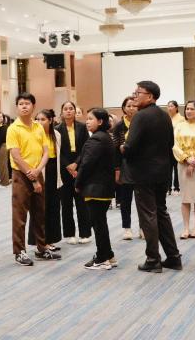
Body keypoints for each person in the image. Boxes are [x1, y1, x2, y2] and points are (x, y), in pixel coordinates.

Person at [122, 81, 181, 273]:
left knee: (148, 215)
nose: (134, 95)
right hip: (162, 172)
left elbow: (130, 147)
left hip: (143, 174)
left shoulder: (140, 116)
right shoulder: (165, 116)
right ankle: (173, 257)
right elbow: (170, 143)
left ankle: (153, 259)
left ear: (150, 96)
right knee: (161, 212)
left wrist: (122, 148)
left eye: (138, 92)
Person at [6, 92, 60, 266]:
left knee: (39, 213)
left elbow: (46, 152)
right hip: (21, 175)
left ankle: (41, 248)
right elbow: (16, 155)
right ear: (17, 107)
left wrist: (38, 171)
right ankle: (19, 252)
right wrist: (31, 174)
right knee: (20, 216)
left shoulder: (38, 127)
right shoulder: (13, 128)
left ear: (33, 106)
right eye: (21, 103)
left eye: (27, 103)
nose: (24, 106)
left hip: (37, 173)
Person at [76, 108, 116, 271]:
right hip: (102, 188)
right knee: (100, 223)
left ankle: (102, 258)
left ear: (100, 121)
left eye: (90, 119)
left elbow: (86, 164)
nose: (87, 121)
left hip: (96, 188)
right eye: (86, 118)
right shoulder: (104, 137)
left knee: (98, 225)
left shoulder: (97, 139)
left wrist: (78, 183)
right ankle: (109, 255)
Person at [56, 101, 91, 245]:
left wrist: (76, 164)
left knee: (82, 202)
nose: (69, 111)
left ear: (75, 111)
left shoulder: (82, 127)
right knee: (66, 203)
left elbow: (86, 147)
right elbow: (57, 150)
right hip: (64, 169)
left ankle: (85, 233)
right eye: (66, 109)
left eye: (71, 108)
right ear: (62, 112)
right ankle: (70, 234)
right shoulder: (57, 129)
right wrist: (68, 166)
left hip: (79, 167)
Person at [28, 109, 63, 252]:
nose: (39, 122)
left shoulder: (57, 135)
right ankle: (40, 241)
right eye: (37, 119)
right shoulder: (34, 134)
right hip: (40, 171)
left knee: (53, 208)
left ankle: (50, 239)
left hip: (54, 173)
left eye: (43, 119)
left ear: (50, 120)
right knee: (40, 208)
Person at [173, 100, 195, 240]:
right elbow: (175, 145)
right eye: (187, 109)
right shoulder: (179, 126)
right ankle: (186, 228)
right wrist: (186, 159)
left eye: (192, 109)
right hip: (183, 164)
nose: (188, 111)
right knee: (185, 198)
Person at [113, 96, 139, 240]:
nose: (131, 108)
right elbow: (115, 150)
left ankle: (143, 228)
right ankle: (127, 228)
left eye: (134, 106)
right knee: (125, 199)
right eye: (128, 106)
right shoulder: (118, 126)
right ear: (123, 108)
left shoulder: (141, 122)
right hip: (124, 165)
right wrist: (117, 169)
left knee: (142, 199)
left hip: (140, 165)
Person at [167, 100, 185, 195]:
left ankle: (177, 187)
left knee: (176, 167)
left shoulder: (181, 119)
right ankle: (168, 187)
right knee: (168, 167)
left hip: (177, 144)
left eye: (171, 106)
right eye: (168, 106)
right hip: (168, 145)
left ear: (176, 107)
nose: (169, 108)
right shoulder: (167, 118)